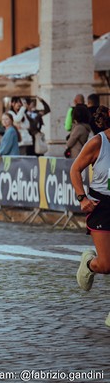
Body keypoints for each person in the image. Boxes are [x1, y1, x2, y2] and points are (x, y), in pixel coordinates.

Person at [70, 106, 110, 327]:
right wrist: (82, 198)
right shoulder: (98, 142)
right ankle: (89, 264)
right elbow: (75, 170)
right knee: (106, 265)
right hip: (102, 205)